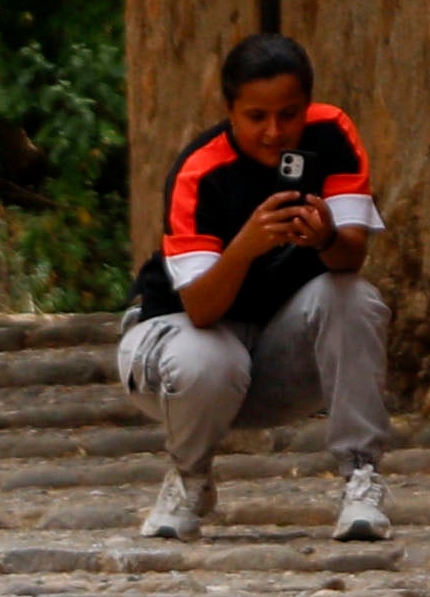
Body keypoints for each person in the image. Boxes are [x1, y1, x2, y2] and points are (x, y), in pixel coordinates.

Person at [115, 33, 394, 544]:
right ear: (229, 111)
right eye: (256, 117)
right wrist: (244, 247)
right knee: (209, 358)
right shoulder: (200, 172)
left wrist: (326, 236)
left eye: (289, 114)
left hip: (274, 357)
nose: (274, 132)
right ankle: (189, 476)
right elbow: (200, 309)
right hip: (181, 348)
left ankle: (360, 474)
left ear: (307, 106)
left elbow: (351, 256)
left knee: (353, 295)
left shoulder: (331, 137)